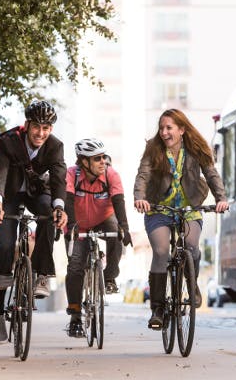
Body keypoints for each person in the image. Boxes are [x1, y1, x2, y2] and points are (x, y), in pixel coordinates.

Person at [0, 100, 68, 344]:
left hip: (36, 192)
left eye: (46, 128)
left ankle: (41, 273)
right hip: (7, 194)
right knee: (6, 246)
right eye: (37, 127)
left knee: (49, 215)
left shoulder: (55, 146)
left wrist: (60, 207)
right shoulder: (8, 142)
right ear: (27, 125)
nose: (41, 133)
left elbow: (60, 179)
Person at [133, 108, 228, 330]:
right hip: (159, 208)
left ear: (182, 130)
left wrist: (221, 199)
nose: (164, 133)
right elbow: (143, 176)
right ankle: (157, 309)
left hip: (189, 207)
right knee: (161, 251)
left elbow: (212, 174)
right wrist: (140, 198)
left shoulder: (196, 148)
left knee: (192, 246)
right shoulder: (153, 149)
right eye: (162, 128)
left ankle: (191, 283)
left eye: (169, 128)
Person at [64, 138, 132, 337]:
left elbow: (119, 201)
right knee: (75, 265)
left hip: (103, 218)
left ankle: (110, 276)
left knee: (116, 234)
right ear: (84, 162)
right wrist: (71, 226)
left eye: (104, 157)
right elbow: (67, 200)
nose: (103, 161)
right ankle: (75, 317)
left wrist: (125, 227)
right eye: (97, 159)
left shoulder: (111, 174)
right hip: (78, 222)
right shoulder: (71, 174)